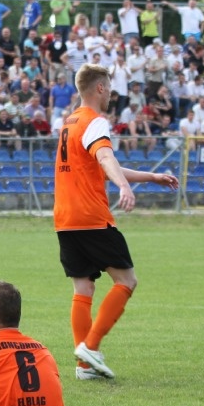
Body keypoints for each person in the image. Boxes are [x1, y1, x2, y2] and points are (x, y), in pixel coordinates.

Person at [54, 64, 179, 380]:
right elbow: (107, 159)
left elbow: (100, 164)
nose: (110, 92)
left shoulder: (70, 122)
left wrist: (149, 177)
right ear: (99, 88)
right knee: (127, 281)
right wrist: (124, 187)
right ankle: (90, 347)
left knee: (83, 286)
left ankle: (85, 367)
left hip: (65, 218)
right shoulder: (96, 121)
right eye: (108, 87)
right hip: (91, 216)